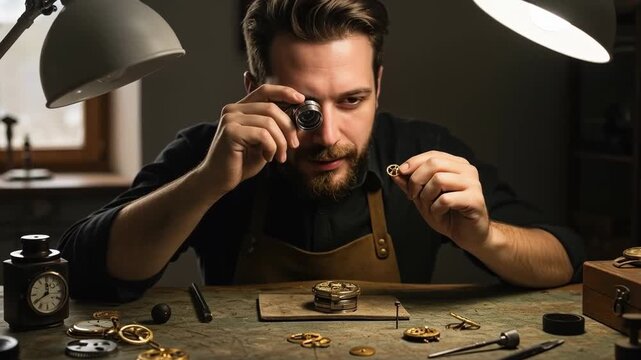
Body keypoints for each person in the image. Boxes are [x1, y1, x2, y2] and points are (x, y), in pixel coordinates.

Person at [58, 0, 584, 302]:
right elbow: (82, 270)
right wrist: (205, 184)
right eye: (303, 107)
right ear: (252, 89)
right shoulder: (210, 153)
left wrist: (486, 237)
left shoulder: (423, 148)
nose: (328, 134)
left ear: (379, 85)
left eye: (352, 100)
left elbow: (564, 261)